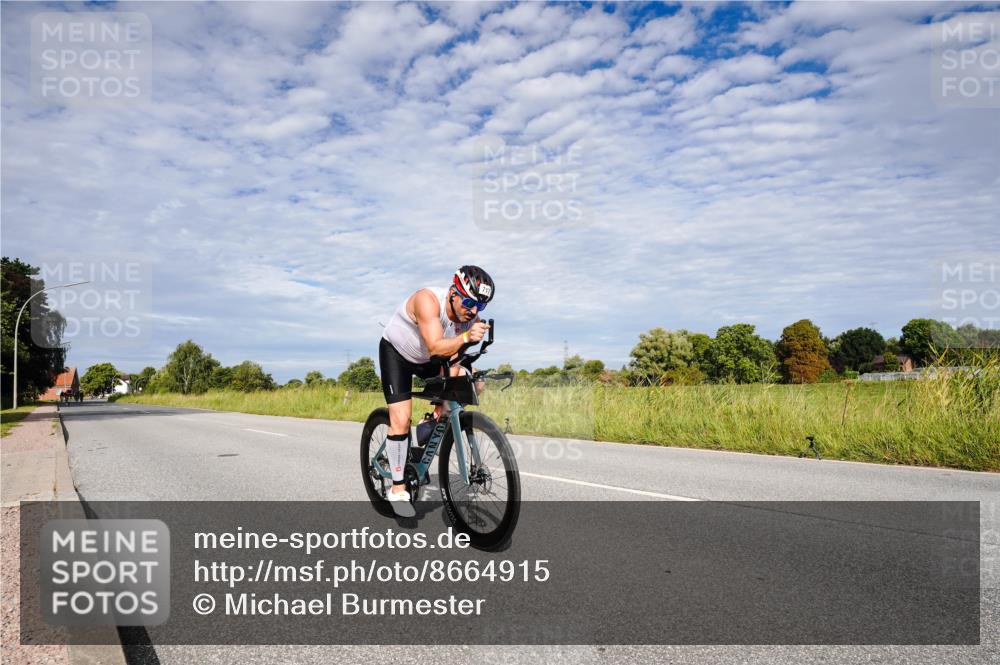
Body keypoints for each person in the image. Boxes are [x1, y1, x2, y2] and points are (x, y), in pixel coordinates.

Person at [378, 266, 494, 508]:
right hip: (398, 355)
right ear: (453, 292)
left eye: (480, 306)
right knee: (400, 419)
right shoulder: (427, 300)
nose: (473, 311)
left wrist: (446, 398)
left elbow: (454, 359)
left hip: (431, 360)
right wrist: (465, 338)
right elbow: (435, 346)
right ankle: (398, 488)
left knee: (474, 384)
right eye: (468, 302)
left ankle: (431, 421)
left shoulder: (471, 318)